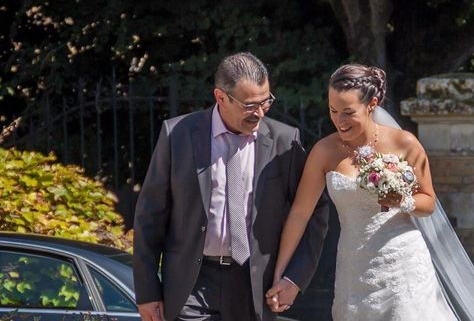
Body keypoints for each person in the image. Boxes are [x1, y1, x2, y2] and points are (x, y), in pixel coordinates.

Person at [133, 52, 329, 321]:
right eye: (249, 105)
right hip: (192, 284)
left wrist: (294, 278)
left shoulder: (285, 141)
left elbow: (315, 210)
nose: (259, 113)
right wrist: (147, 292)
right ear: (220, 97)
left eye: (266, 102)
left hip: (254, 284)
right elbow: (150, 216)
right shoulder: (177, 134)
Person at [265, 64, 457, 320]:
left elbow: (429, 202)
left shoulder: (404, 143)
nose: (339, 121)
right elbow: (300, 214)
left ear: (372, 104)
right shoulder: (324, 152)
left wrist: (402, 200)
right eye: (333, 110)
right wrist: (281, 272)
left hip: (403, 262)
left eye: (348, 112)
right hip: (354, 267)